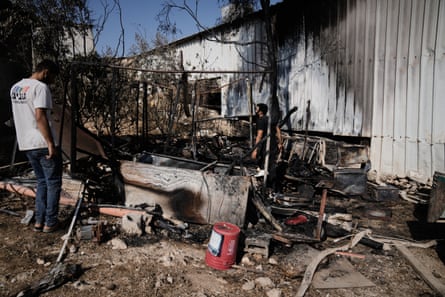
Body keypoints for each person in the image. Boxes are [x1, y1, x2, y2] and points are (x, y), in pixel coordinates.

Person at [10, 59, 62, 233]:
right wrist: (50, 144)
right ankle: (50, 222)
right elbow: (39, 116)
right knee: (53, 183)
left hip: (26, 144)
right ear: (46, 72)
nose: (53, 81)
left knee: (42, 183)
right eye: (53, 77)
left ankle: (39, 221)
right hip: (41, 142)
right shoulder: (41, 88)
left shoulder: (16, 88)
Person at [251, 103, 283, 191]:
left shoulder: (261, 120)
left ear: (260, 110)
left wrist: (255, 149)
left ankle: (266, 187)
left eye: (257, 108)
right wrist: (280, 143)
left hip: (265, 145)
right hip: (273, 145)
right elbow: (278, 130)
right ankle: (274, 189)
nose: (255, 110)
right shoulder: (270, 119)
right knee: (271, 166)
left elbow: (259, 135)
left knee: (264, 166)